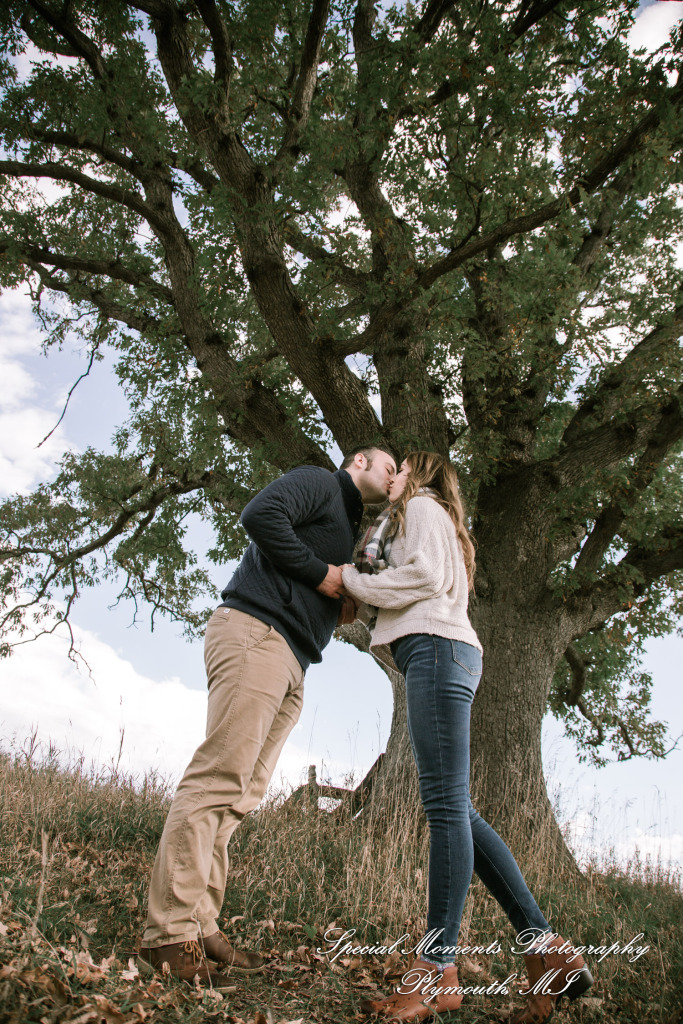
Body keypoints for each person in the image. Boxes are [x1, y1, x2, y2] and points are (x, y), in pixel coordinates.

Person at [341, 451, 593, 1023]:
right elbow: (418, 581)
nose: (394, 476)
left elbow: (423, 577)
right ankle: (544, 949)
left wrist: (350, 579)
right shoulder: (429, 518)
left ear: (422, 475)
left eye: (401, 466)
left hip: (436, 650)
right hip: (441, 652)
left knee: (445, 808)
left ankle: (437, 967)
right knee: (457, 809)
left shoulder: (422, 506)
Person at [138, 445, 397, 990]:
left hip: (292, 658)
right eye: (389, 467)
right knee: (217, 780)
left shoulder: (349, 526)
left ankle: (200, 922)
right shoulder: (320, 483)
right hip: (257, 634)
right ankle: (168, 935)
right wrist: (322, 575)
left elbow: (317, 575)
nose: (394, 477)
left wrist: (339, 598)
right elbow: (260, 515)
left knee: (242, 793)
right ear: (360, 462)